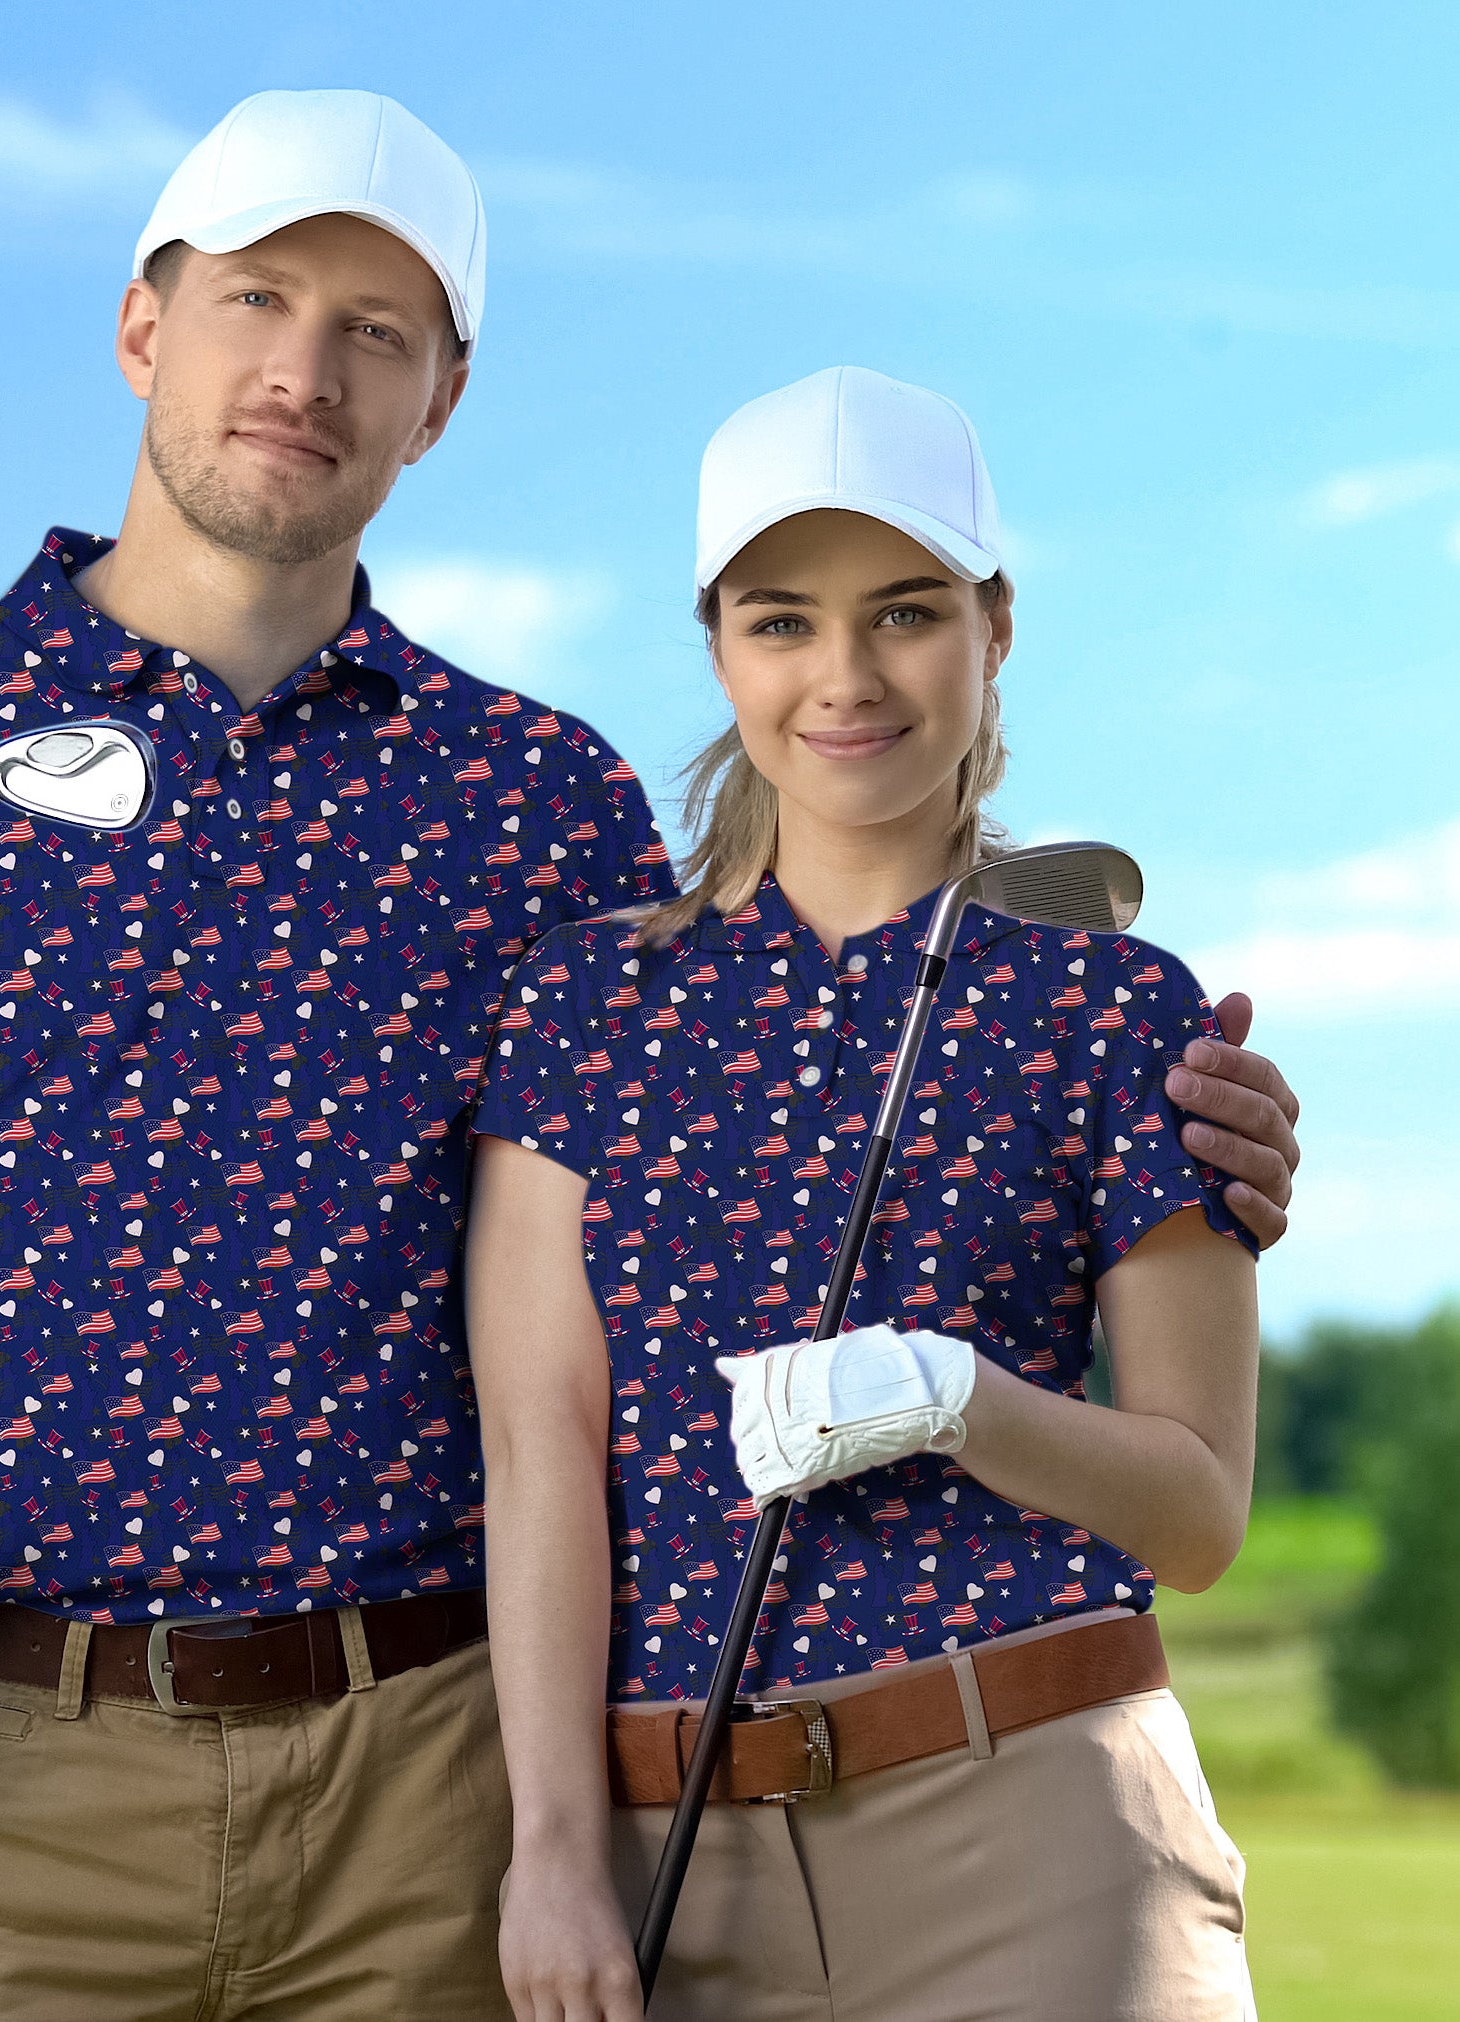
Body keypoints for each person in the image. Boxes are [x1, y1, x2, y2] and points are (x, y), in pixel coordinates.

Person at [0, 87, 1298, 2019]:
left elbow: (744, 1167)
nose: (303, 371)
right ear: (143, 325)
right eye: (255, 300)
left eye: (374, 331)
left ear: (441, 397)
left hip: (430, 1782)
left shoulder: (538, 802)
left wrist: (1138, 1106)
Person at [469, 367, 1267, 2020]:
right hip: (674, 1852)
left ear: (992, 628)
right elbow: (540, 1448)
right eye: (781, 621)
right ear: (715, 647)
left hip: (1037, 1814)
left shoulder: (1111, 1004)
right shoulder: (585, 1008)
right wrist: (549, 1845)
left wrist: (952, 1397)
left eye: (903, 612)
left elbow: (1194, 1516)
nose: (843, 677)